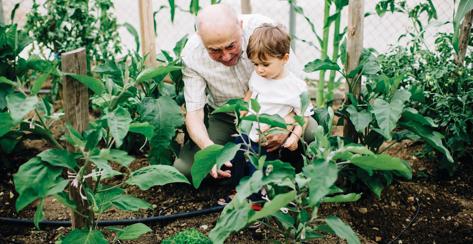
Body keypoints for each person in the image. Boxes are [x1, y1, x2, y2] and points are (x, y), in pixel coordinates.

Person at [174, 4, 317, 181]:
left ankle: (285, 167)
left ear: (240, 27)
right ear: (200, 39)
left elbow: (297, 88)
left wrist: (285, 125)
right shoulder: (192, 54)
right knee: (186, 169)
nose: (225, 56)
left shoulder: (264, 31)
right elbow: (194, 113)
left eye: (231, 46)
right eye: (215, 50)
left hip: (280, 112)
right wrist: (210, 150)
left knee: (312, 135)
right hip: (226, 117)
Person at [228, 23, 313, 189]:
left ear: (284, 59)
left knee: (259, 170)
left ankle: (258, 200)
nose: (259, 70)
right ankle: (237, 190)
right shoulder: (258, 76)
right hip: (249, 131)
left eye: (265, 64)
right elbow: (251, 92)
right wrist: (244, 108)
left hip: (270, 139)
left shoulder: (295, 87)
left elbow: (304, 115)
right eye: (255, 64)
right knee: (236, 159)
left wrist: (295, 136)